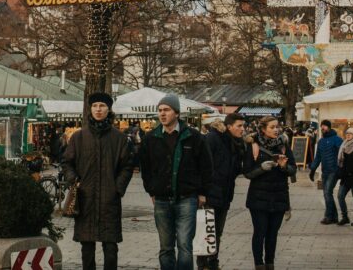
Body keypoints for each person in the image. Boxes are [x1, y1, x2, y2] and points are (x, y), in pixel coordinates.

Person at [137, 94, 212, 270]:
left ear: (177, 113)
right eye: (160, 110)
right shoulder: (151, 138)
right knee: (165, 247)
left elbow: (206, 167)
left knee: (185, 246)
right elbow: (145, 168)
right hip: (162, 199)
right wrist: (151, 191)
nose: (162, 114)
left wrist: (202, 193)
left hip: (187, 198)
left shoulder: (193, 136)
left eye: (167, 110)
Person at [60, 92, 132, 270]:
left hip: (109, 199)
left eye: (102, 106)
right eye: (95, 106)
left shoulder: (119, 138)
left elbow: (127, 166)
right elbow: (67, 162)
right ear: (90, 109)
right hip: (86, 198)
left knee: (110, 246)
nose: (98, 109)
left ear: (109, 109)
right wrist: (73, 180)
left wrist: (117, 188)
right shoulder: (79, 137)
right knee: (87, 245)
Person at [244, 116, 294, 270]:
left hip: (279, 196)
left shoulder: (284, 145)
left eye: (277, 127)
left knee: (273, 234)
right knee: (260, 232)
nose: (276, 129)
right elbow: (247, 172)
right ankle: (259, 264)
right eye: (272, 127)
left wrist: (284, 166)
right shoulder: (254, 145)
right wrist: (261, 168)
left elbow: (293, 170)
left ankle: (270, 264)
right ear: (263, 129)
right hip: (259, 197)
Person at [201, 113, 247, 270]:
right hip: (209, 193)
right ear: (229, 126)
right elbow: (203, 166)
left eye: (243, 126)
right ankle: (203, 265)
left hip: (225, 193)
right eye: (239, 126)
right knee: (206, 231)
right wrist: (202, 192)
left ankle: (213, 263)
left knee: (217, 232)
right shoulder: (213, 138)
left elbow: (236, 169)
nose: (243, 129)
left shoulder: (236, 142)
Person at [307, 120, 341, 225]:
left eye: (325, 126)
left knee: (327, 193)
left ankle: (328, 216)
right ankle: (334, 216)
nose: (323, 128)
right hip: (325, 171)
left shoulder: (337, 139)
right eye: (321, 126)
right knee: (327, 193)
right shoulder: (321, 141)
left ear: (329, 127)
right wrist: (312, 170)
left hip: (334, 170)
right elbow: (318, 157)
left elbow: (342, 155)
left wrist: (342, 169)